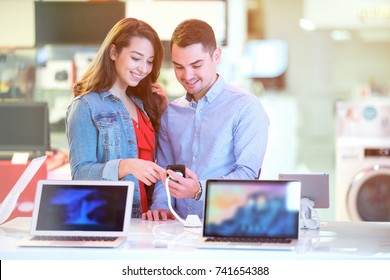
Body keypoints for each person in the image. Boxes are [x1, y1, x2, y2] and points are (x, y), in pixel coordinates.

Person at [142, 19, 270, 221]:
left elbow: (248, 175)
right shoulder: (171, 113)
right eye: (179, 66)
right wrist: (161, 205)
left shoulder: (246, 107)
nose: (187, 75)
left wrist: (200, 189)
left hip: (228, 226)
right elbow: (164, 173)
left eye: (196, 65)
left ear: (216, 56)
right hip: (177, 231)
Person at [66, 18, 168, 218]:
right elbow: (80, 175)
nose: (143, 69)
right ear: (113, 52)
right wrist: (125, 166)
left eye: (149, 61)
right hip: (111, 219)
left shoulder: (141, 104)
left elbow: (158, 162)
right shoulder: (85, 106)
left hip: (146, 220)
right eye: (136, 58)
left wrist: (162, 111)